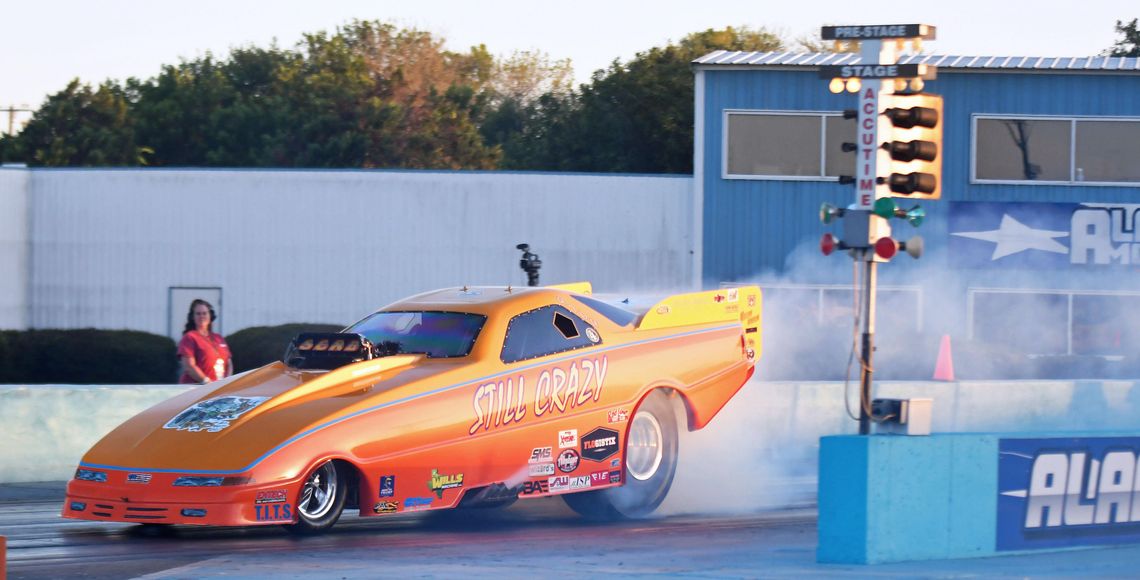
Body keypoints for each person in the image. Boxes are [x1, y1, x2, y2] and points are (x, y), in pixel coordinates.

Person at [178, 299, 233, 384]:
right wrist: (207, 382)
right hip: (196, 389)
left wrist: (226, 383)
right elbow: (189, 366)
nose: (202, 316)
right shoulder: (190, 337)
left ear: (210, 315)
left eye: (204, 313)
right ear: (192, 317)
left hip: (217, 389)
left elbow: (229, 363)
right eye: (198, 314)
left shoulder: (218, 338)